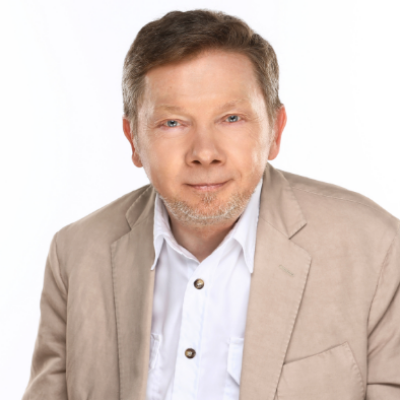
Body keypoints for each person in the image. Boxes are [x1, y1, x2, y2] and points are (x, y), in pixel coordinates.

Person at [23, 9, 400, 400]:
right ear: (133, 139)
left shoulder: (377, 249)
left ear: (275, 130)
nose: (204, 153)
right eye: (173, 123)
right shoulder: (76, 255)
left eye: (231, 118)